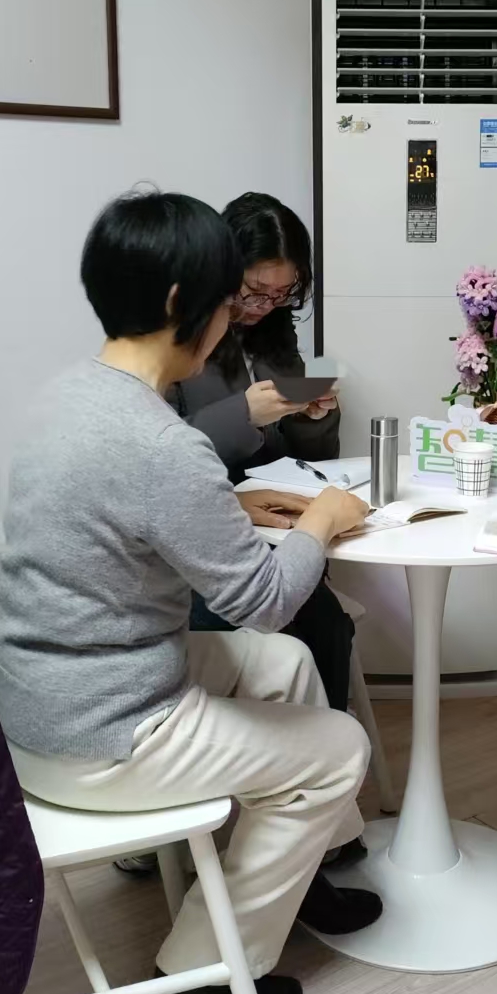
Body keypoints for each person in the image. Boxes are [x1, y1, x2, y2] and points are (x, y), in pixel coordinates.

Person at [0, 190, 380, 994]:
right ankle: (201, 976)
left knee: (291, 666)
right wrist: (322, 518)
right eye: (230, 298)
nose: (237, 314)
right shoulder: (162, 442)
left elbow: (126, 517)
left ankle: (301, 874)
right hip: (102, 730)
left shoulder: (69, 394)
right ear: (179, 302)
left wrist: (234, 506)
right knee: (338, 748)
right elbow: (265, 600)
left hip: (42, 698)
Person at [167, 193, 358, 713]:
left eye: (282, 294)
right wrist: (243, 414)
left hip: (276, 527)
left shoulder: (276, 332)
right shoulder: (179, 335)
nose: (263, 306)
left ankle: (325, 747)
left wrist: (314, 417)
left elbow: (306, 457)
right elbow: (162, 453)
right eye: (254, 291)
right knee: (257, 631)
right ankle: (277, 749)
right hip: (205, 538)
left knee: (326, 627)